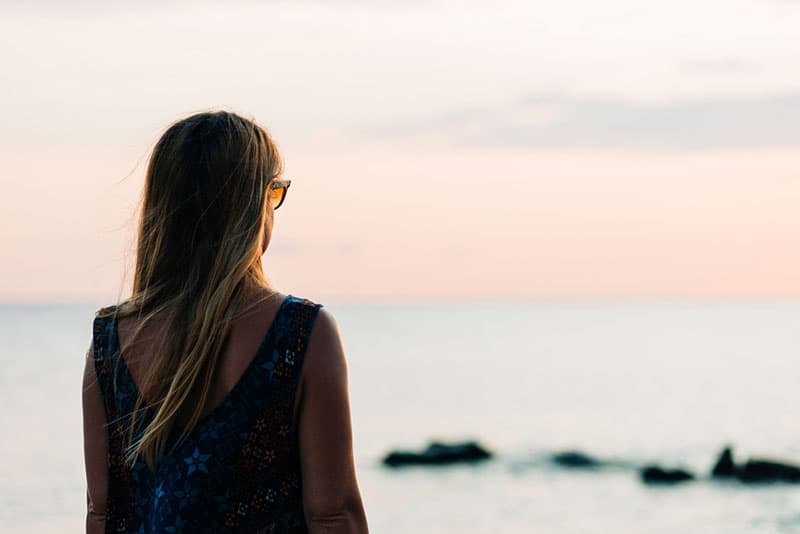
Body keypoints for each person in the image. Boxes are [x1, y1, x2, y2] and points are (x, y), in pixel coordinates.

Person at [81, 110, 368, 533]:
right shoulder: (300, 334)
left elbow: (102, 514)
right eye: (274, 192)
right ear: (250, 205)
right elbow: (332, 514)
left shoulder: (108, 344)